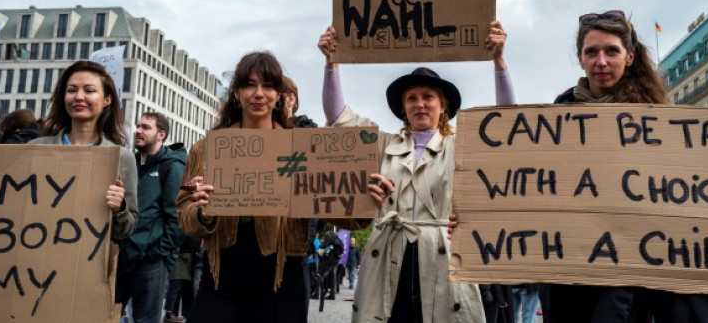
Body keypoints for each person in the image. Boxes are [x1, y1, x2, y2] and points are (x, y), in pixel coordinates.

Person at [548, 10, 708, 323]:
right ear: (580, 59)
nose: (601, 61)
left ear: (630, 56)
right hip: (580, 282)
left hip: (650, 286)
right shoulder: (554, 119)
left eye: (612, 51)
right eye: (591, 52)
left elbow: (704, 197)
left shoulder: (663, 121)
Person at [317, 20, 512, 323]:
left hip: (441, 257)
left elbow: (507, 124)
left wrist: (499, 62)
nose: (420, 104)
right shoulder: (384, 145)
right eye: (412, 98)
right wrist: (332, 63)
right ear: (404, 108)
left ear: (442, 105)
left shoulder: (461, 145)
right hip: (387, 254)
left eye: (428, 97)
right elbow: (337, 117)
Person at [0, 60, 138, 302]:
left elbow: (127, 228)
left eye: (89, 90)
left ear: (108, 99)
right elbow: (1, 219)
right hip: (28, 278)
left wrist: (119, 208)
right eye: (71, 90)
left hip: (83, 281)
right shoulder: (35, 149)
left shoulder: (121, 158)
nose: (79, 96)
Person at [176, 51, 332, 322]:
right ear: (236, 93)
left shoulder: (303, 148)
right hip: (223, 273)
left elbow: (342, 209)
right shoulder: (207, 149)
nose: (259, 93)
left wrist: (364, 196)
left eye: (268, 85)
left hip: (283, 276)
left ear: (279, 95)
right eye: (249, 85)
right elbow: (185, 216)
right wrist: (202, 210)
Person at [117, 112, 186, 323]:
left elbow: (177, 218)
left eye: (146, 127)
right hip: (121, 255)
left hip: (151, 261)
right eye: (138, 126)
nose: (138, 130)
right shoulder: (129, 163)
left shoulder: (172, 167)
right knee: (105, 314)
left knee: (145, 319)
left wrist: (160, 254)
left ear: (161, 135)